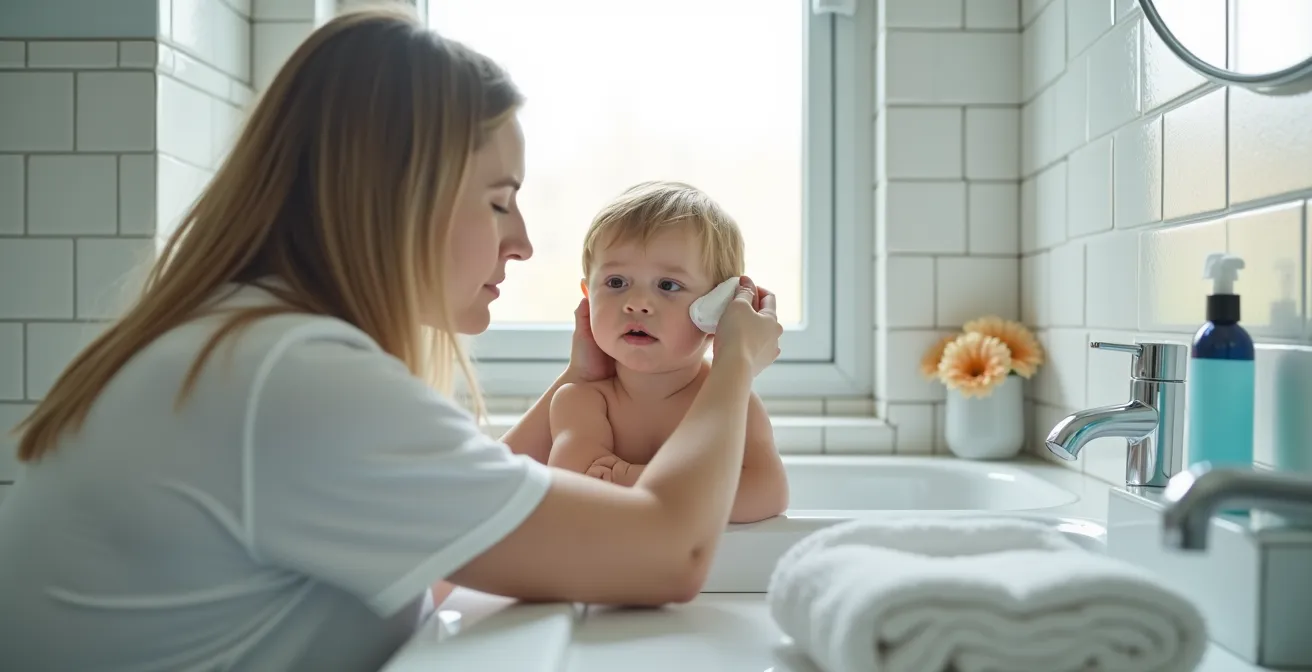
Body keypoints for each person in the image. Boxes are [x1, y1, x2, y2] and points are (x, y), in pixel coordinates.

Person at [0, 7, 783, 672]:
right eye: (500, 201)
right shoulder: (294, 380)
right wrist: (734, 361)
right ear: (406, 196)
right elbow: (667, 555)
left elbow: (453, 544)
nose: (523, 243)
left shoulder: (245, 344)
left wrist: (572, 386)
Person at [548, 181, 788, 523]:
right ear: (589, 295)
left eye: (668, 285)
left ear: (719, 306)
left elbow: (767, 494)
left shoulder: (735, 403)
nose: (637, 304)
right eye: (616, 282)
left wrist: (629, 476)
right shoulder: (581, 402)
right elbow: (576, 490)